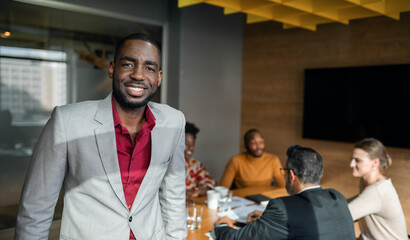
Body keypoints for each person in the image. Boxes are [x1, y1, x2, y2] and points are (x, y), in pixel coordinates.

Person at [15, 33, 187, 240]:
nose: (139, 75)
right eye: (128, 64)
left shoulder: (174, 121)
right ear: (112, 69)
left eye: (149, 68)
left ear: (159, 77)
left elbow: (174, 196)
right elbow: (35, 209)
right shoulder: (67, 121)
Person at [212, 144, 356, 240]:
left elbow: (238, 239)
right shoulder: (337, 197)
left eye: (284, 171)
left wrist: (223, 225)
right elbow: (309, 222)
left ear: (291, 176)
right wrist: (267, 219)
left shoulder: (281, 207)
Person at [348, 138, 407, 240]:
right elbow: (359, 201)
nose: (351, 164)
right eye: (352, 159)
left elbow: (341, 216)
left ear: (375, 162)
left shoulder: (377, 191)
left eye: (357, 160)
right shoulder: (366, 182)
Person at [220, 129, 285, 189]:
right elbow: (223, 188)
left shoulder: (273, 160)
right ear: (246, 145)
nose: (259, 146)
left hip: (265, 198)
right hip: (243, 199)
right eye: (254, 143)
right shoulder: (236, 160)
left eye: (261, 142)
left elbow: (283, 186)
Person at [184, 121, 216, 201]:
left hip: (191, 206)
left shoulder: (196, 165)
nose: (190, 148)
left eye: (193, 144)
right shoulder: (165, 165)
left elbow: (211, 184)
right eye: (186, 143)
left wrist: (198, 192)